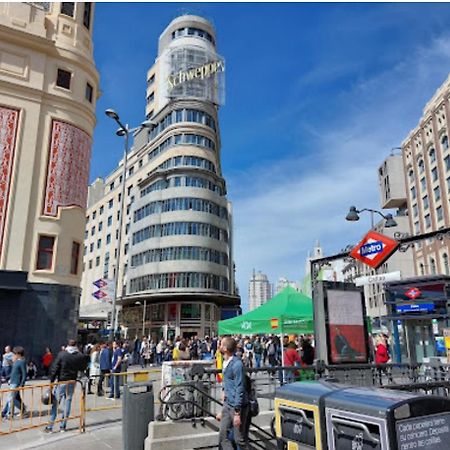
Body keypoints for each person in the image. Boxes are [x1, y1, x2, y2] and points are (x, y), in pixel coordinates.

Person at [43, 339, 88, 433]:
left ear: (67, 345)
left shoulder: (62, 354)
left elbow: (55, 368)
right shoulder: (79, 355)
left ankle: (50, 426)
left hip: (62, 381)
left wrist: (51, 381)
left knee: (56, 403)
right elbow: (83, 367)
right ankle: (63, 426)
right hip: (72, 381)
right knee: (68, 402)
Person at [217, 337, 249, 450]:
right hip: (227, 404)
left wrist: (237, 413)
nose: (219, 345)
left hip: (237, 406)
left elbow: (239, 387)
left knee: (239, 439)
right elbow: (228, 382)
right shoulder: (226, 362)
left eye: (220, 344)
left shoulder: (237, 364)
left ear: (225, 348)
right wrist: (223, 391)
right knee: (223, 436)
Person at [2, 346, 27, 419]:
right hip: (12, 382)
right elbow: (13, 372)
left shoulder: (22, 362)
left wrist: (22, 384)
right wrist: (6, 378)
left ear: (18, 354)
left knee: (10, 399)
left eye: (14, 353)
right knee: (14, 398)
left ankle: (9, 414)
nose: (13, 355)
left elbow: (24, 374)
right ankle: (22, 410)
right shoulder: (16, 361)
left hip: (16, 383)